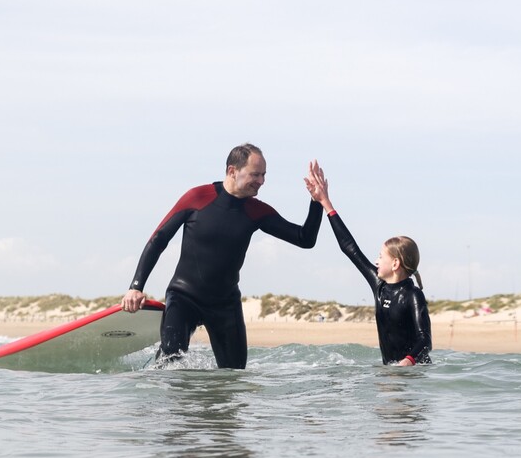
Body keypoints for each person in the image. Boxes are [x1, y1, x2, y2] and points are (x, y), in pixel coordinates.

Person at [121, 143, 323, 369]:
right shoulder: (198, 197)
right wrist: (136, 286)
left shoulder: (256, 211)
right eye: (255, 174)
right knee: (170, 365)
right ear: (232, 171)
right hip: (183, 297)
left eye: (264, 175)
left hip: (225, 305)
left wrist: (316, 201)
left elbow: (305, 239)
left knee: (234, 376)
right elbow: (159, 239)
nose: (261, 181)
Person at [305, 161, 431, 365]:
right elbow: (350, 248)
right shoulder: (379, 285)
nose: (376, 261)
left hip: (413, 374)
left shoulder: (413, 295)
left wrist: (407, 362)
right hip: (391, 373)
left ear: (395, 264)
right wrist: (325, 203)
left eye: (381, 257)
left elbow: (425, 340)